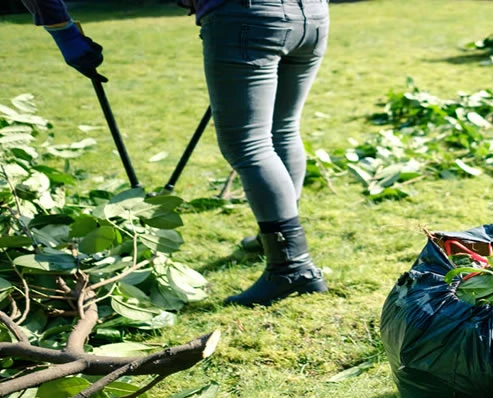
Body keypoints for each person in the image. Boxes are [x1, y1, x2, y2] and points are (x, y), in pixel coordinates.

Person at [20, 0, 330, 307]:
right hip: (311, 16)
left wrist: (63, 32)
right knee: (282, 129)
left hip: (248, 19)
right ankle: (279, 243)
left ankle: (291, 265)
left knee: (249, 145)